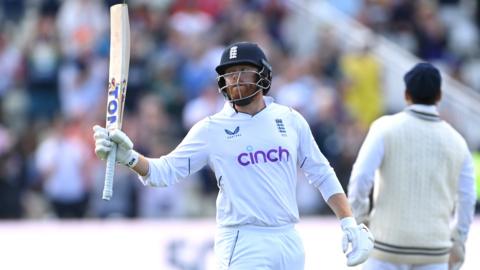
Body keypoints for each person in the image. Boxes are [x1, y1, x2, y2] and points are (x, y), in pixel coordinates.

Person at [93, 41, 374, 269]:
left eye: (242, 70)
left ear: (263, 74)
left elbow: (321, 172)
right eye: (229, 73)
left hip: (289, 239)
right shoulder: (211, 129)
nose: (235, 79)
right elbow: (162, 173)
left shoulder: (289, 119)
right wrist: (129, 157)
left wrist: (348, 221)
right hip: (243, 240)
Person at [348, 62, 477, 270]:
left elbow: (360, 178)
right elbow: (467, 198)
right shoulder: (457, 141)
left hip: (386, 248)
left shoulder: (384, 128)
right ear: (439, 96)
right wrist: (458, 240)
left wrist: (361, 219)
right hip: (434, 252)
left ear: (406, 94)